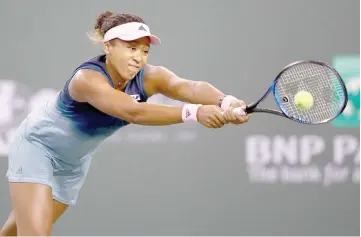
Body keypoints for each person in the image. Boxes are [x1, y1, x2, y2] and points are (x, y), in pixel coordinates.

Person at [0, 11, 250, 236]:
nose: (139, 58)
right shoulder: (86, 79)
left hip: (73, 164)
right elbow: (133, 112)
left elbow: (188, 87)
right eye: (131, 48)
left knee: (15, 232)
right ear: (108, 46)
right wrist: (194, 113)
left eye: (144, 51)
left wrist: (226, 102)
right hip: (37, 148)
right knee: (35, 233)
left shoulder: (151, 76)